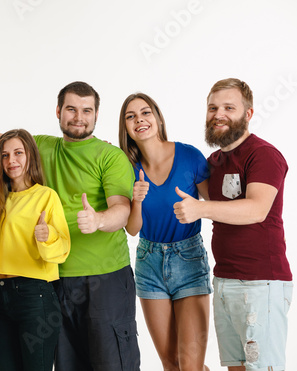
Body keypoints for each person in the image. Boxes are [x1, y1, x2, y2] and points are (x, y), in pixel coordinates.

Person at [173, 78, 293, 371]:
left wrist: (200, 209)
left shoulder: (263, 154)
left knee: (262, 367)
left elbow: (256, 209)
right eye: (213, 108)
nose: (218, 114)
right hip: (224, 281)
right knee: (237, 367)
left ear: (248, 114)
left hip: (261, 282)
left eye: (229, 107)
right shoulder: (213, 161)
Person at [35, 82, 141, 371]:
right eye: (71, 109)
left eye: (86, 110)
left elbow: (122, 208)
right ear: (58, 111)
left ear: (96, 115)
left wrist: (99, 220)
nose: (78, 117)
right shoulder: (42, 146)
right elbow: (4, 142)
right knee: (68, 364)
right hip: (57, 279)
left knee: (113, 364)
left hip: (105, 278)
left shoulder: (110, 156)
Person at [118, 93, 212, 370]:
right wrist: (137, 199)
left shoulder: (190, 156)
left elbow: (211, 205)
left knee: (191, 366)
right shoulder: (127, 168)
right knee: (171, 364)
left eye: (145, 113)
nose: (139, 120)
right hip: (149, 261)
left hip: (189, 258)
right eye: (131, 116)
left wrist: (195, 207)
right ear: (125, 127)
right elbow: (133, 230)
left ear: (157, 118)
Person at [0, 128, 70, 371]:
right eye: (5, 155)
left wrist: (47, 235)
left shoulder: (45, 196)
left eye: (18, 153)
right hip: (0, 296)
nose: (12, 161)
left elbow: (63, 246)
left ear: (31, 155)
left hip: (35, 297)